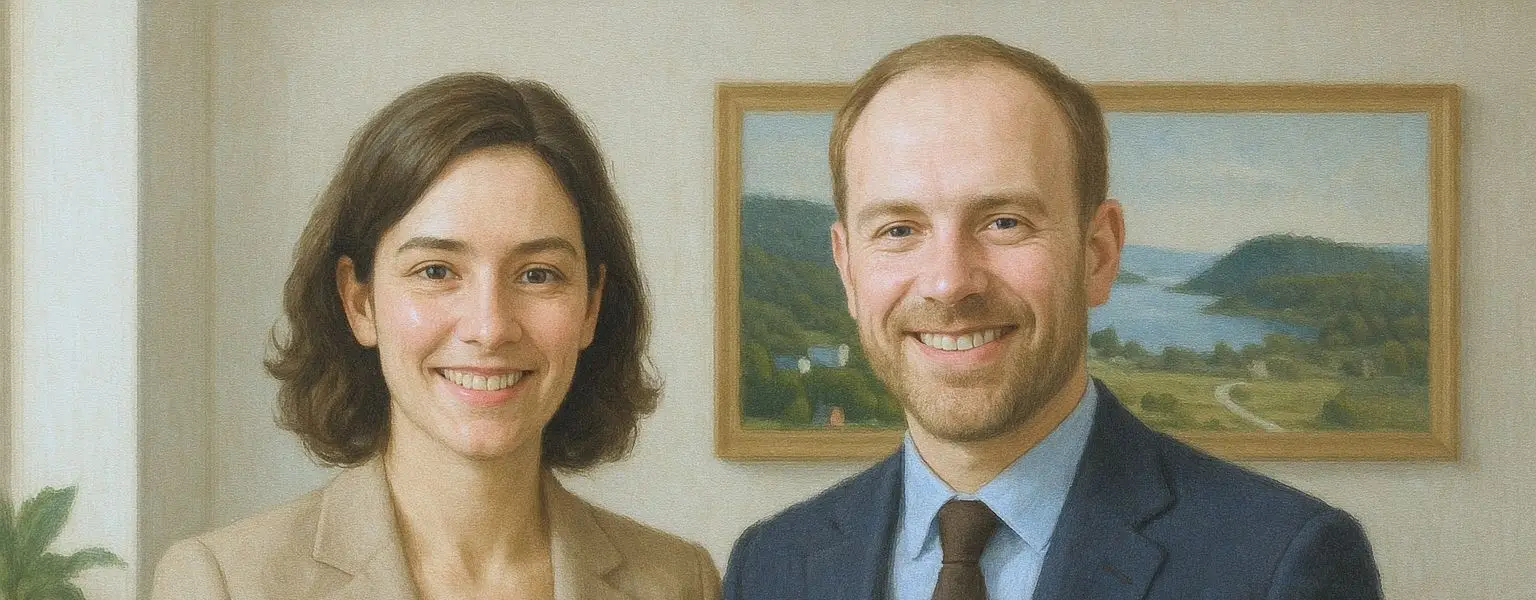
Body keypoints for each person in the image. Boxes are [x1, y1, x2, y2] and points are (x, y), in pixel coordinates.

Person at [722, 35, 1381, 600]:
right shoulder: (771, 566)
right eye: (899, 229)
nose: (950, 282)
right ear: (847, 268)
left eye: (1004, 222)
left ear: (1097, 254)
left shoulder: (1279, 564)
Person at [152, 73, 719, 600]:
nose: (490, 327)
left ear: (592, 306)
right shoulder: (224, 582)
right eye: (436, 271)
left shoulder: (677, 582)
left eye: (538, 274)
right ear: (360, 302)